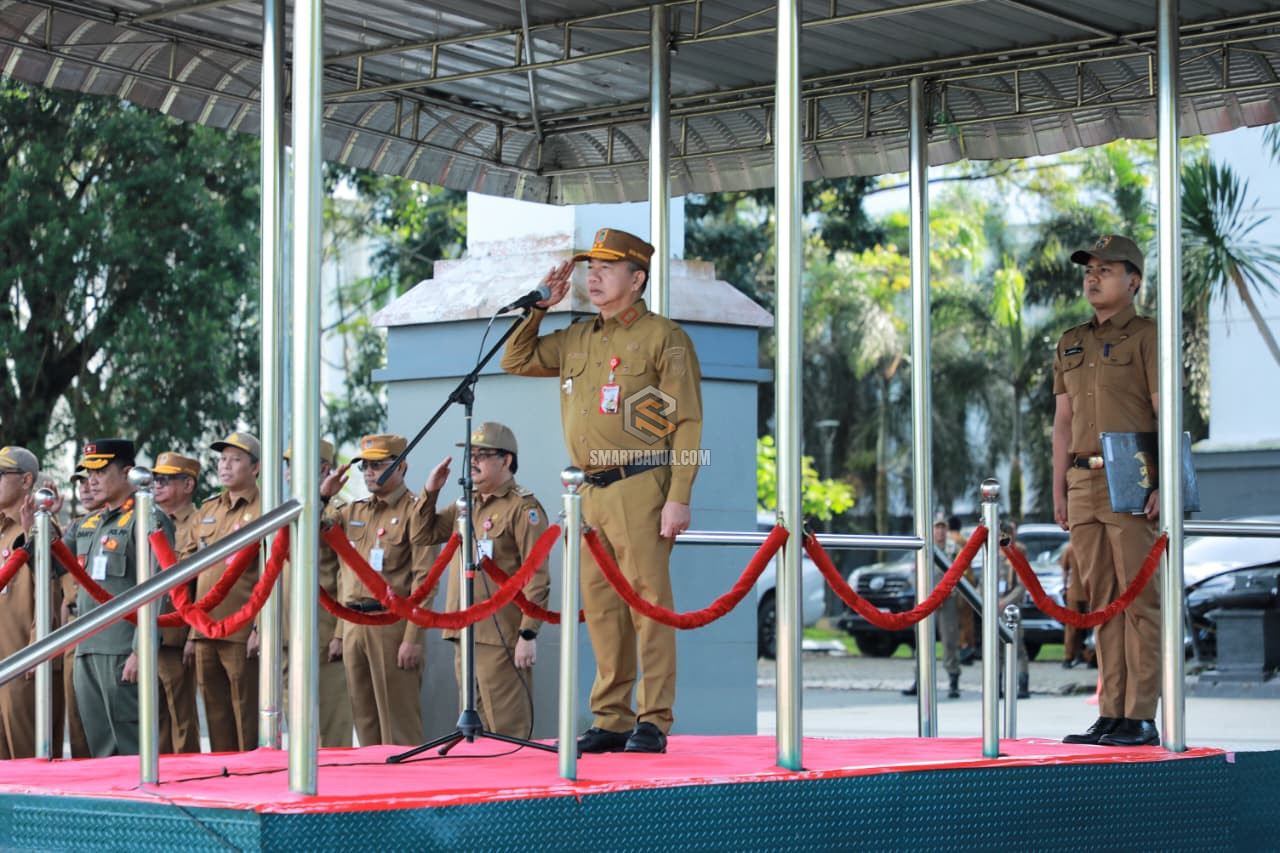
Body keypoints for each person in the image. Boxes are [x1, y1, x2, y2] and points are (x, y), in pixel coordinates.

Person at [501, 227, 703, 754]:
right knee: (603, 607)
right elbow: (515, 359)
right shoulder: (577, 338)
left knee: (649, 604)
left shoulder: (665, 337)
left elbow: (686, 421)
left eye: (607, 268)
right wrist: (540, 307)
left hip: (641, 483)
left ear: (637, 279)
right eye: (591, 267)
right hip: (587, 492)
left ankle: (653, 719)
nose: (593, 276)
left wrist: (679, 494)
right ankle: (610, 717)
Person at [1053, 234, 1161, 748]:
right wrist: (1058, 489)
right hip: (1082, 480)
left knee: (1140, 601)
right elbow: (1062, 422)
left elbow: (1166, 411)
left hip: (1133, 475)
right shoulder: (1070, 341)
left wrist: (1164, 480)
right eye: (1088, 269)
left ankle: (1141, 713)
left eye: (1106, 270)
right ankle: (1111, 713)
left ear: (1133, 280)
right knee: (1102, 602)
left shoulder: (1148, 336)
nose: (1093, 277)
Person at [413, 422, 551, 739]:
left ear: (506, 460)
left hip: (501, 635)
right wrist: (431, 490)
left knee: (507, 729)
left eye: (483, 455)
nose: (473, 461)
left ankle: (518, 790)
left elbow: (537, 574)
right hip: (465, 631)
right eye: (471, 454)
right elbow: (423, 534)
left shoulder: (522, 507)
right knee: (474, 733)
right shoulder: (467, 503)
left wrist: (528, 633)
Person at [62, 439, 176, 757]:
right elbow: (49, 563)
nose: (91, 480)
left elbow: (158, 586)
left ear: (127, 473)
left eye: (100, 471)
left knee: (130, 747)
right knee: (100, 747)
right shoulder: (89, 523)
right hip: (88, 650)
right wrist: (34, 527)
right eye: (87, 473)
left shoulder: (148, 518)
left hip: (122, 652)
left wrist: (141, 649)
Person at [321, 434, 433, 746]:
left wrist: (412, 638)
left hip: (392, 626)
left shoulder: (415, 511)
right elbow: (315, 535)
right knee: (364, 722)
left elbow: (425, 581)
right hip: (355, 623)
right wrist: (323, 498)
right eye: (365, 466)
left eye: (378, 465)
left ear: (401, 466)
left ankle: (408, 791)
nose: (369, 472)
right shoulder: (353, 511)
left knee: (399, 726)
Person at [188, 432, 262, 753]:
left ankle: (254, 781)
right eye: (222, 459)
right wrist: (192, 632)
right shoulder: (208, 509)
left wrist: (261, 627)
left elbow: (274, 571)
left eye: (235, 459)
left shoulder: (266, 509)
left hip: (241, 630)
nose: (225, 466)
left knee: (246, 714)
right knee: (215, 715)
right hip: (205, 628)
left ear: (255, 468)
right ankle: (224, 777)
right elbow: (189, 573)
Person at [283, 439, 353, 748]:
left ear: (324, 470)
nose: (288, 473)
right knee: (297, 727)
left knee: (330, 725)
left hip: (323, 635)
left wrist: (340, 632)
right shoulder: (283, 513)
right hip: (287, 635)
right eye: (287, 465)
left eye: (294, 465)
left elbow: (345, 575)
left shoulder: (336, 514)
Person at [0, 446, 65, 758]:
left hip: (22, 657)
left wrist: (38, 642)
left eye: (2, 474)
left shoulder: (41, 526)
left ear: (26, 480)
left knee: (25, 755)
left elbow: (52, 588)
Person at [150, 451, 204, 753]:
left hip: (178, 635)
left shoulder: (199, 523)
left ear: (188, 485)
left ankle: (187, 775)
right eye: (156, 479)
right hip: (147, 633)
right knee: (154, 719)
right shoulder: (148, 521)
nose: (157, 485)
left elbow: (203, 585)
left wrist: (195, 635)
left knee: (182, 718)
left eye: (165, 479)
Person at [901, 517, 963, 699]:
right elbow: (913, 575)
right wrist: (925, 593)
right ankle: (919, 679)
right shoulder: (922, 548)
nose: (940, 532)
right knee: (922, 640)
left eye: (943, 528)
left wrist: (947, 593)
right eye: (937, 527)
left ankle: (953, 680)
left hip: (947, 601)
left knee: (950, 640)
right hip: (925, 600)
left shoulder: (953, 550)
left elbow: (961, 574)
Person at [59, 469, 94, 758]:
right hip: (74, 627)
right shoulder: (75, 527)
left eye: (93, 478)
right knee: (77, 717)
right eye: (81, 482)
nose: (86, 487)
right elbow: (59, 578)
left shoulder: (131, 521)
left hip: (107, 630)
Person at [1059, 542, 1091, 669]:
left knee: (1072, 626)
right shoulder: (1091, 545)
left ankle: (1070, 656)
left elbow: (1064, 569)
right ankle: (1089, 655)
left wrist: (1064, 586)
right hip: (1089, 592)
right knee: (1092, 626)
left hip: (1075, 591)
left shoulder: (1070, 547)